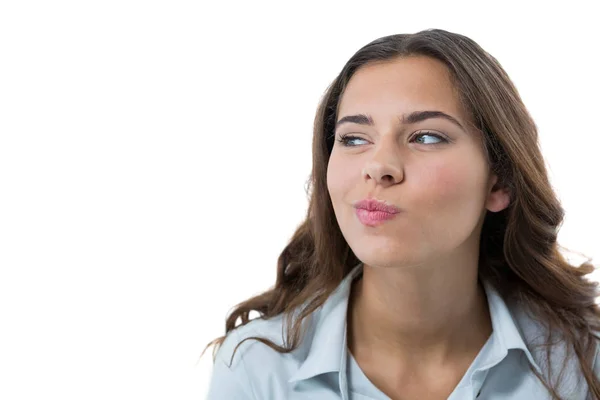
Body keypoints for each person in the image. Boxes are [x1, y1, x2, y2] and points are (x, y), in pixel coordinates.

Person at [203, 28, 600, 399]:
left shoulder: (581, 362)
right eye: (354, 138)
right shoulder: (256, 370)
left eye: (426, 136)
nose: (378, 166)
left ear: (499, 183)